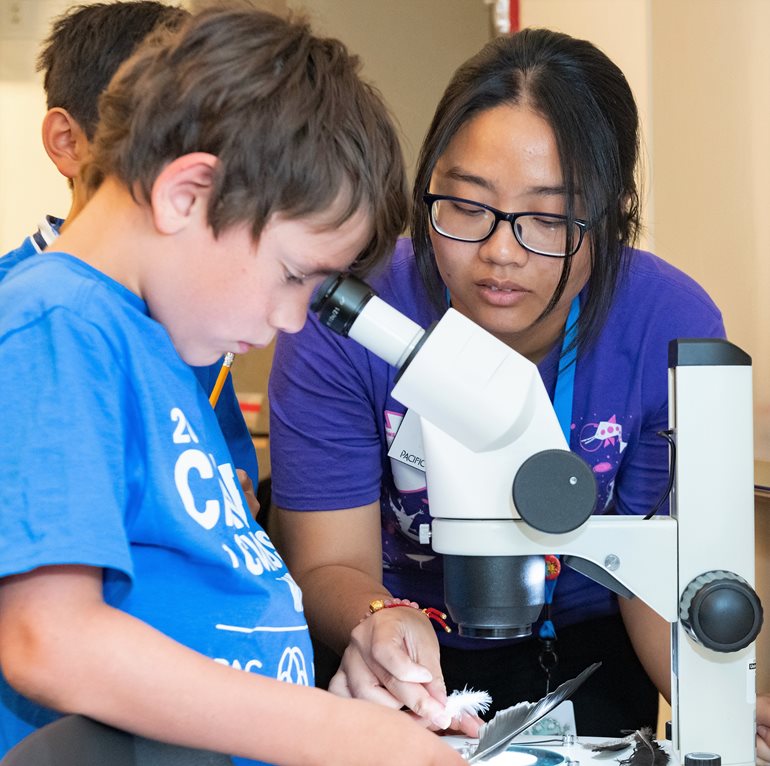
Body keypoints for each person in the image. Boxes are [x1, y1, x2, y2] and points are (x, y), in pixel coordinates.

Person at [0, 7, 466, 765]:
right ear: (187, 194)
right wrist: (328, 733)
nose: (291, 321)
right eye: (291, 275)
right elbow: (47, 638)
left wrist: (322, 698)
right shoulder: (56, 323)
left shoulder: (156, 346)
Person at [268, 27, 727, 737]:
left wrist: (726, 703)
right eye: (467, 206)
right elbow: (328, 560)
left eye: (548, 217)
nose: (499, 253)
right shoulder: (352, 315)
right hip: (395, 643)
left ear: (610, 218)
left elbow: (643, 572)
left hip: (582, 645)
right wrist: (381, 621)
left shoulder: (667, 323)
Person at [0, 0, 260, 504]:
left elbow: (227, 470)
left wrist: (236, 505)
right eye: (166, 142)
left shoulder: (192, 315)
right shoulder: (25, 312)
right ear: (68, 142)